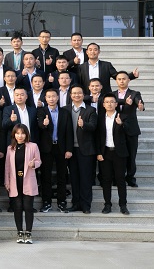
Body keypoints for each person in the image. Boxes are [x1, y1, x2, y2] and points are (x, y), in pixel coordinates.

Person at [37, 89, 73, 214]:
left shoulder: (65, 112)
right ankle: (46, 202)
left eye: (53, 96)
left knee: (62, 176)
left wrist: (69, 149)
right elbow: (39, 127)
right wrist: (44, 124)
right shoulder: (41, 111)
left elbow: (69, 132)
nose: (51, 99)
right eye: (49, 96)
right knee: (46, 176)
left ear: (57, 97)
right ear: (45, 99)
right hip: (46, 148)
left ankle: (62, 202)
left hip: (61, 147)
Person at [5, 124, 41, 244]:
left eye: (22, 133)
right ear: (14, 135)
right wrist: (6, 181)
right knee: (18, 207)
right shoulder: (10, 148)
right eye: (17, 133)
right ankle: (20, 232)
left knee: (28, 207)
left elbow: (39, 161)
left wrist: (34, 164)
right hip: (15, 181)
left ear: (26, 134)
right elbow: (7, 167)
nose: (20, 136)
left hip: (28, 180)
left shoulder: (33, 146)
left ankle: (28, 232)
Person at [66, 85, 98, 214]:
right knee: (74, 178)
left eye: (79, 93)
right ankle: (76, 203)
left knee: (85, 179)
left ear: (83, 95)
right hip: (71, 150)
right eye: (74, 93)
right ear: (70, 95)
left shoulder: (90, 110)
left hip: (85, 150)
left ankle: (86, 205)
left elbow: (94, 126)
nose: (76, 95)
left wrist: (84, 125)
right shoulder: (65, 109)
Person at [97, 93, 130, 215]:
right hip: (105, 153)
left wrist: (121, 124)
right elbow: (97, 137)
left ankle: (123, 205)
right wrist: (98, 152)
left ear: (116, 104)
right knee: (106, 180)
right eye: (107, 102)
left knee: (120, 179)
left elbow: (129, 131)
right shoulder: (100, 118)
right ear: (103, 104)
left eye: (112, 102)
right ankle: (107, 204)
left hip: (119, 153)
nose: (109, 104)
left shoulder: (123, 116)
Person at [114, 71, 144, 187]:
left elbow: (139, 102)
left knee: (131, 155)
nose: (121, 81)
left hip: (131, 128)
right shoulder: (112, 94)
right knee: (118, 155)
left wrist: (140, 106)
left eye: (124, 79)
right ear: (116, 81)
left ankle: (130, 177)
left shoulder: (134, 93)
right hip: (117, 127)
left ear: (128, 80)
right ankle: (118, 177)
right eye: (119, 79)